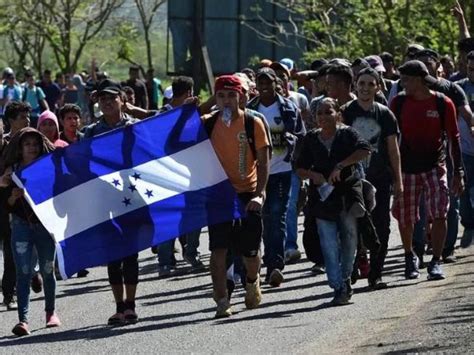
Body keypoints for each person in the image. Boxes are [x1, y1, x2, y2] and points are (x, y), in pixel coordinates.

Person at [203, 75, 270, 317]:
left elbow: (263, 163)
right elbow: (179, 129)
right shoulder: (207, 123)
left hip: (248, 193)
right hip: (219, 195)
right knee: (218, 250)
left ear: (241, 97)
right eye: (221, 96)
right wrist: (208, 102)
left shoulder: (253, 123)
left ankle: (252, 281)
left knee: (249, 252)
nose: (227, 100)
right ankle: (222, 300)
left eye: (232, 95)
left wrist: (260, 194)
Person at [391, 60, 464, 281]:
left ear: (418, 80)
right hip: (407, 169)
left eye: (405, 79)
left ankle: (436, 261)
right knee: (406, 217)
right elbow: (390, 140)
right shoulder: (398, 103)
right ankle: (409, 256)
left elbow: (453, 138)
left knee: (440, 212)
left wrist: (458, 172)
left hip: (434, 167)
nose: (401, 83)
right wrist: (393, 174)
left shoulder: (443, 103)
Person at [296, 97, 371, 305]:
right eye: (319, 113)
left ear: (337, 114)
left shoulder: (347, 134)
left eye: (328, 112)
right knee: (328, 243)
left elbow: (364, 149)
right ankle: (338, 285)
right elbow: (299, 167)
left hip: (346, 196)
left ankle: (346, 278)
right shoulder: (311, 138)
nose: (323, 117)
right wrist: (314, 175)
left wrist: (341, 165)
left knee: (349, 238)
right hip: (322, 199)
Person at [82, 79, 140, 325]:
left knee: (131, 254)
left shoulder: (135, 127)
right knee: (113, 254)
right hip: (104, 199)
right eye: (102, 99)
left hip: (132, 198)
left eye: (111, 98)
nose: (107, 102)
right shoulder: (91, 132)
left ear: (122, 100)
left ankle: (131, 305)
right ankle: (118, 306)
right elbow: (80, 162)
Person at [342, 67, 403, 289]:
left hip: (380, 179)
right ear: (355, 86)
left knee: (381, 226)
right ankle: (351, 269)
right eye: (361, 83)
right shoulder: (345, 112)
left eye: (370, 84)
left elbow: (393, 150)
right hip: (352, 181)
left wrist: (399, 181)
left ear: (377, 87)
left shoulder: (385, 114)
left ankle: (376, 273)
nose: (365, 88)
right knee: (351, 227)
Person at [247, 67, 305, 287]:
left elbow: (301, 136)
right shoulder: (251, 109)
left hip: (281, 171)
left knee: (278, 217)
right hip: (256, 172)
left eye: (267, 82)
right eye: (260, 83)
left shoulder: (289, 108)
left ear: (276, 84)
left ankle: (275, 267)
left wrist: (293, 151)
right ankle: (257, 264)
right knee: (262, 218)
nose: (264, 86)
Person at [1, 127, 58, 336]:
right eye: (27, 144)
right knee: (23, 273)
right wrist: (13, 196)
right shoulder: (12, 171)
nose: (32, 148)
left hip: (44, 226)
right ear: (20, 147)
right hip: (20, 227)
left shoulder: (48, 167)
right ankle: (23, 320)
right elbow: (6, 205)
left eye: (35, 144)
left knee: (47, 269)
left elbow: (57, 194)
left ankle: (51, 313)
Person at [455, 50, 474, 248]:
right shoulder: (458, 88)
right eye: (470, 69)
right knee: (464, 190)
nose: (472, 73)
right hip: (465, 150)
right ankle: (469, 225)